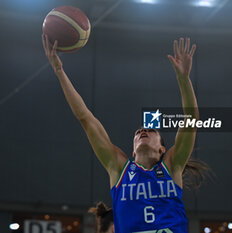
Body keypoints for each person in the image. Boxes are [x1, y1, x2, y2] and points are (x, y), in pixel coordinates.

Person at [42, 35, 202, 232]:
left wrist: (183, 79)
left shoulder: (172, 165)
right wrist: (59, 71)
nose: (143, 131)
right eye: (138, 132)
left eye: (150, 130)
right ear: (133, 152)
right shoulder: (119, 169)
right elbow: (86, 118)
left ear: (162, 148)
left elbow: (191, 119)